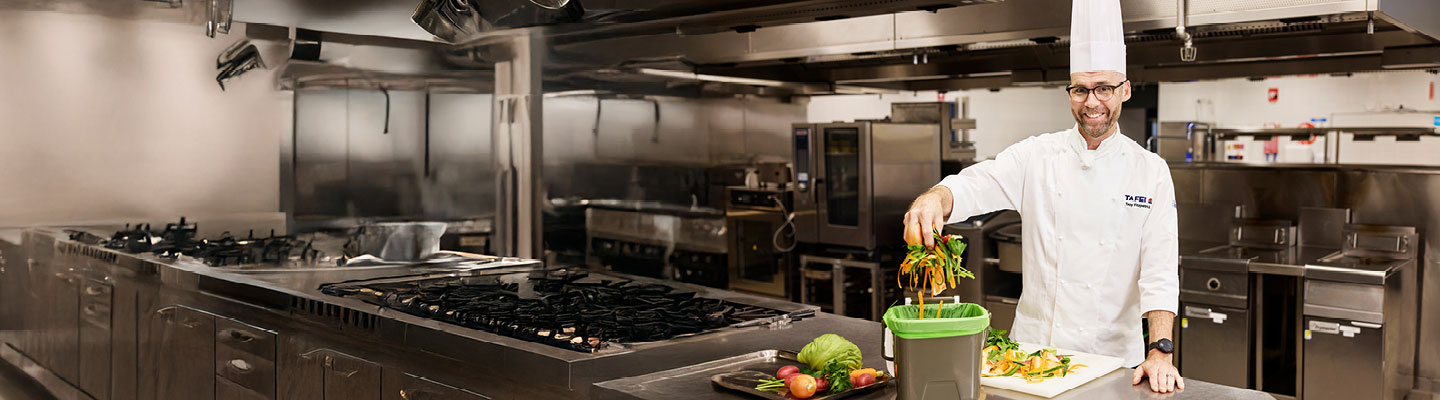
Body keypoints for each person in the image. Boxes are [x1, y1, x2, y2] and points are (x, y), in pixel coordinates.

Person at [900, 0, 1182, 393]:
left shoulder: (1150, 171)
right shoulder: (1037, 155)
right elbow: (978, 182)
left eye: (1104, 88)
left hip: (1114, 363)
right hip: (1030, 358)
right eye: (1081, 89)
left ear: (1125, 91)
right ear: (1069, 92)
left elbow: (1160, 273)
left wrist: (1161, 352)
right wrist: (936, 196)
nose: (1092, 102)